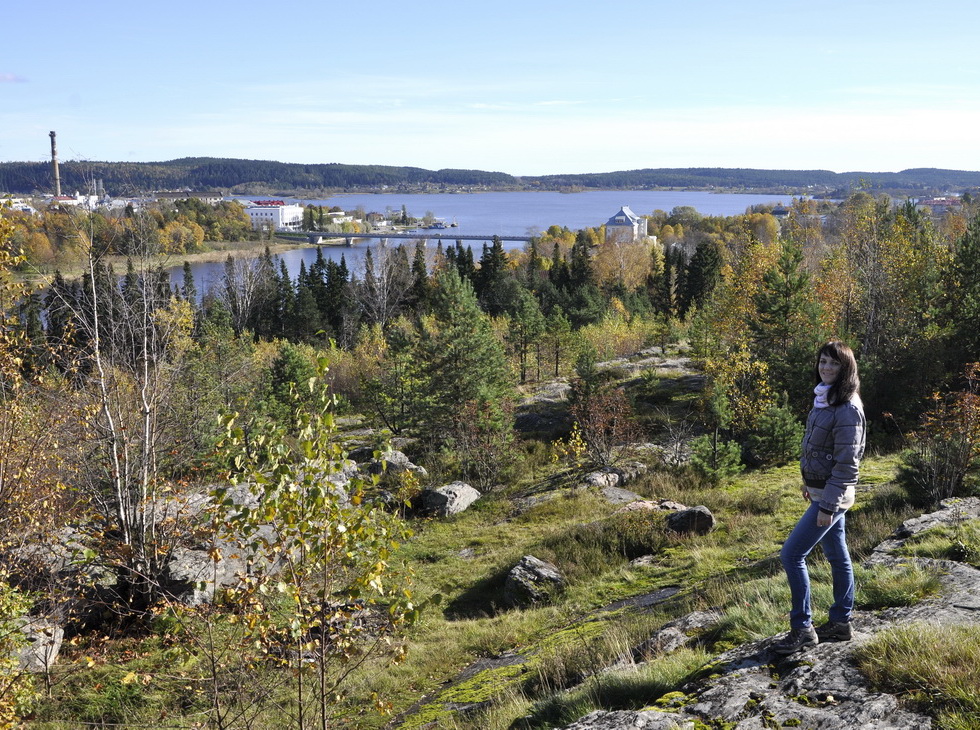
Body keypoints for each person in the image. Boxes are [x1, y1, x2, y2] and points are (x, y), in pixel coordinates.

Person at [773, 340, 866, 655]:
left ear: (845, 369)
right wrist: (808, 483)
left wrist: (827, 504)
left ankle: (802, 628)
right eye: (823, 361)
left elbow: (847, 464)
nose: (826, 367)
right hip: (820, 491)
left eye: (834, 363)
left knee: (791, 555)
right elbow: (817, 449)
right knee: (838, 556)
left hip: (831, 498)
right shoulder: (824, 398)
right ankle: (841, 623)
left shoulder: (848, 407)